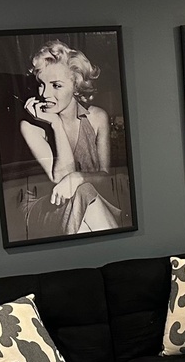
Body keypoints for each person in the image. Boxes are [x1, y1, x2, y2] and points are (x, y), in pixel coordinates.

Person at [18, 40, 126, 238]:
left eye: (56, 85)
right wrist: (56, 125)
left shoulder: (97, 118)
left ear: (76, 86)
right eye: (41, 84)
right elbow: (61, 179)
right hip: (47, 210)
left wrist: (78, 178)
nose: (44, 94)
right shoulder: (30, 127)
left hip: (92, 202)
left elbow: (105, 178)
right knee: (84, 192)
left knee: (84, 194)